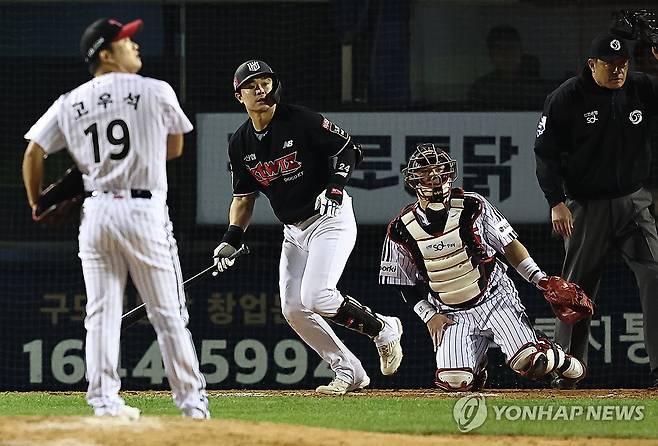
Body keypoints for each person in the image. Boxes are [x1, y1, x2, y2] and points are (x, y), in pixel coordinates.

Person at [22, 18, 209, 419]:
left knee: (101, 311)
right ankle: (192, 405)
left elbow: (34, 152)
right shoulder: (156, 90)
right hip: (142, 210)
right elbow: (173, 148)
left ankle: (104, 400)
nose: (135, 45)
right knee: (168, 311)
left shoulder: (70, 101)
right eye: (126, 41)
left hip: (97, 212)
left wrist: (37, 202)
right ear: (105, 54)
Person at [214, 59, 403, 395]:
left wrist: (335, 186)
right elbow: (243, 199)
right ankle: (350, 371)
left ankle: (384, 328)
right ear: (238, 95)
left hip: (331, 219)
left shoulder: (299, 119)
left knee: (317, 296)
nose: (261, 89)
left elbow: (349, 149)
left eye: (266, 82)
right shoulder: (241, 143)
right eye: (252, 85)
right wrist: (231, 238)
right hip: (294, 232)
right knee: (293, 308)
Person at [378, 143, 585, 391]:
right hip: (451, 312)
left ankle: (556, 356)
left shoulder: (473, 205)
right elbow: (403, 282)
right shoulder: (400, 228)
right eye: (426, 171)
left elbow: (509, 245)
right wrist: (429, 315)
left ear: (449, 173)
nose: (434, 176)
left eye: (439, 169)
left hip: (495, 298)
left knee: (530, 362)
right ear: (413, 179)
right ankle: (477, 367)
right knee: (454, 382)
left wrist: (539, 279)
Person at [534, 33, 658, 389]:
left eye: (623, 64)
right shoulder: (567, 97)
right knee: (576, 291)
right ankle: (568, 370)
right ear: (592, 65)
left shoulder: (639, 88)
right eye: (611, 65)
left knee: (655, 275)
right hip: (586, 207)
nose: (619, 71)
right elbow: (545, 153)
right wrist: (555, 200)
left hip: (634, 202)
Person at [468, 24, 549, 110]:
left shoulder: (537, 87)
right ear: (491, 55)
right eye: (499, 49)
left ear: (521, 51)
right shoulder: (482, 87)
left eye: (511, 48)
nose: (506, 54)